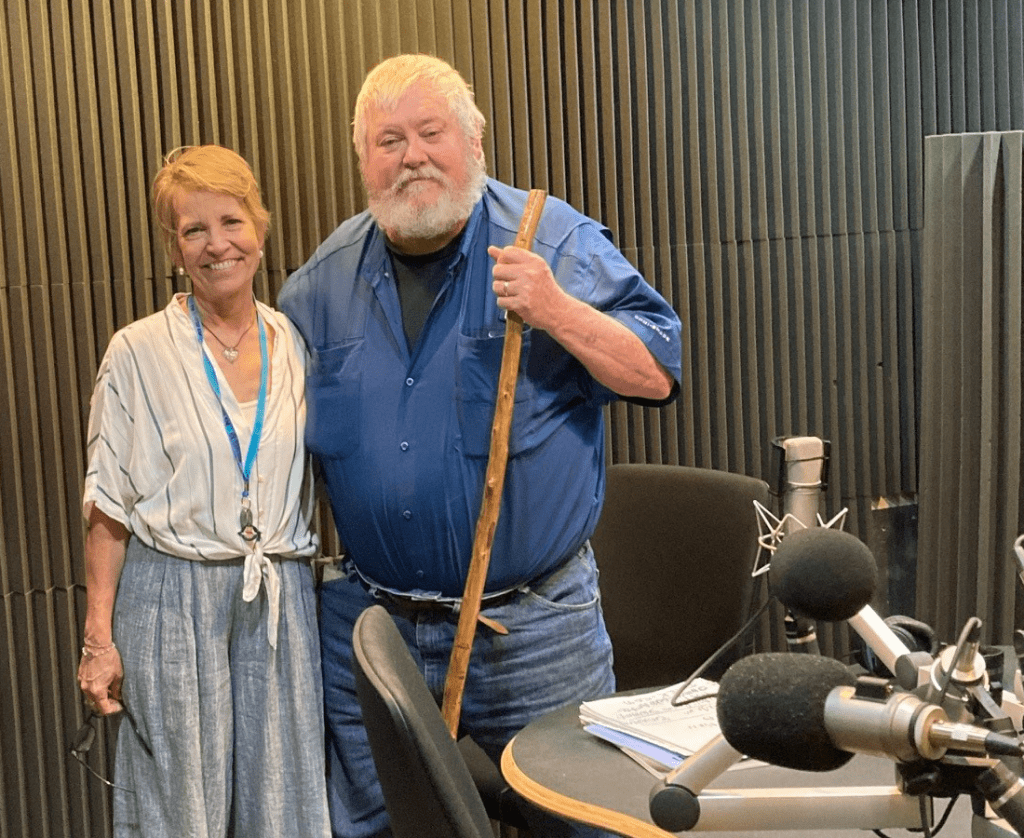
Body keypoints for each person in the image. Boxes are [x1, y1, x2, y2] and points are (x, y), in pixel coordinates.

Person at [279, 54, 682, 838]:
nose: (412, 156)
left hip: (533, 630)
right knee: (374, 826)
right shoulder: (317, 287)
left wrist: (557, 308)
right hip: (371, 627)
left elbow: (655, 373)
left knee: (584, 822)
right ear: (363, 158)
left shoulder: (550, 239)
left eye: (432, 133)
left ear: (475, 141)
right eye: (388, 140)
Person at [76, 144, 330, 838]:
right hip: (169, 601)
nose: (217, 244)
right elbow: (106, 506)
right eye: (194, 230)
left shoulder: (295, 344)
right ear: (174, 246)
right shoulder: (136, 351)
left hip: (278, 599)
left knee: (285, 806)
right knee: (176, 813)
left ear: (260, 224)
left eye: (231, 221)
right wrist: (99, 639)